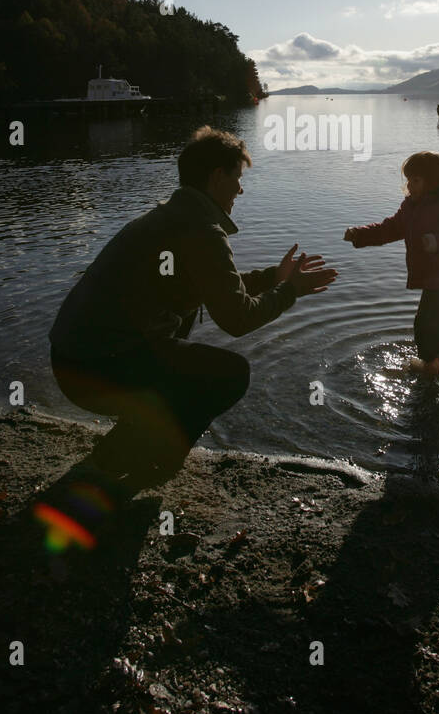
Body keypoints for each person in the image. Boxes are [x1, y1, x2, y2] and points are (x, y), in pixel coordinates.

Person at [47, 126, 336, 495]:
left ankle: (117, 454)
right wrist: (289, 291)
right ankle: (140, 464)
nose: (241, 189)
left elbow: (215, 286)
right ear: (218, 176)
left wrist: (271, 278)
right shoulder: (201, 228)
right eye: (237, 178)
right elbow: (237, 319)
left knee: (182, 343)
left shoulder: (172, 216)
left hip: (72, 360)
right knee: (230, 373)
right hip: (96, 369)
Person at [344, 151, 439, 388]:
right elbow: (389, 229)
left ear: (433, 180)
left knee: (435, 328)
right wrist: (360, 234)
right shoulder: (412, 206)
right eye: (409, 179)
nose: (409, 185)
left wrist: (436, 242)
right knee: (423, 327)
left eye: (416, 180)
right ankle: (432, 366)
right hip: (434, 283)